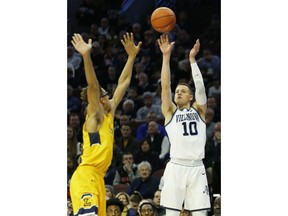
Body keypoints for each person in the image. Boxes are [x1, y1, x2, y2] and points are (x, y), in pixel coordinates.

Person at [69, 32, 142, 216]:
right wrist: (86, 56)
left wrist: (132, 56)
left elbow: (123, 83)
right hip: (86, 176)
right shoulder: (95, 115)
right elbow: (92, 86)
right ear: (99, 100)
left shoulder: (108, 113)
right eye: (105, 94)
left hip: (98, 178)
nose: (110, 96)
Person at [158, 34, 211, 216]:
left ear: (191, 97)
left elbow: (202, 89)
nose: (178, 93)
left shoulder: (200, 111)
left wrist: (192, 60)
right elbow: (165, 86)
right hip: (176, 167)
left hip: (197, 167)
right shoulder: (170, 112)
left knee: (200, 214)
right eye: (177, 91)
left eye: (183, 91)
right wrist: (166, 57)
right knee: (171, 214)